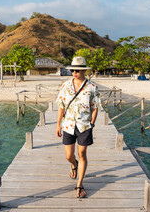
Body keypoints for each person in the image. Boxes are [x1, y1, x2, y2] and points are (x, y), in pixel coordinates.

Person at [55, 56, 100, 198]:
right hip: (68, 124)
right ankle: (73, 164)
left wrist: (92, 123)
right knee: (69, 155)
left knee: (82, 154)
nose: (74, 72)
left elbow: (95, 107)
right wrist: (58, 124)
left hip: (84, 125)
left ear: (84, 71)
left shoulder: (92, 87)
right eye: (72, 70)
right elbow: (61, 106)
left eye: (77, 70)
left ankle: (79, 184)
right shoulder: (65, 86)